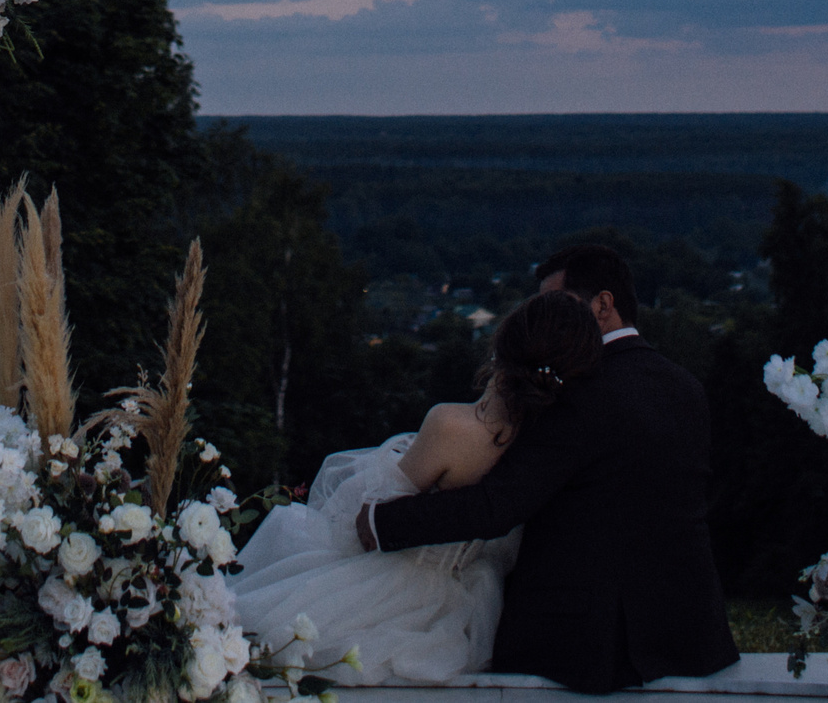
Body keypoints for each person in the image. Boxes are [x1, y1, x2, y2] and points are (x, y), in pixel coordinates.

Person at [359, 246, 741, 694]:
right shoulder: (685, 385)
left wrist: (381, 523)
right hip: (691, 634)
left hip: (591, 646)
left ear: (603, 305)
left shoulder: (579, 393)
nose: (550, 321)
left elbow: (496, 506)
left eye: (559, 305)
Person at [229, 289, 605, 685]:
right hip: (468, 603)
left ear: (504, 347)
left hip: (394, 585)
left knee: (271, 599)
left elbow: (363, 525)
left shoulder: (452, 426)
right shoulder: (548, 449)